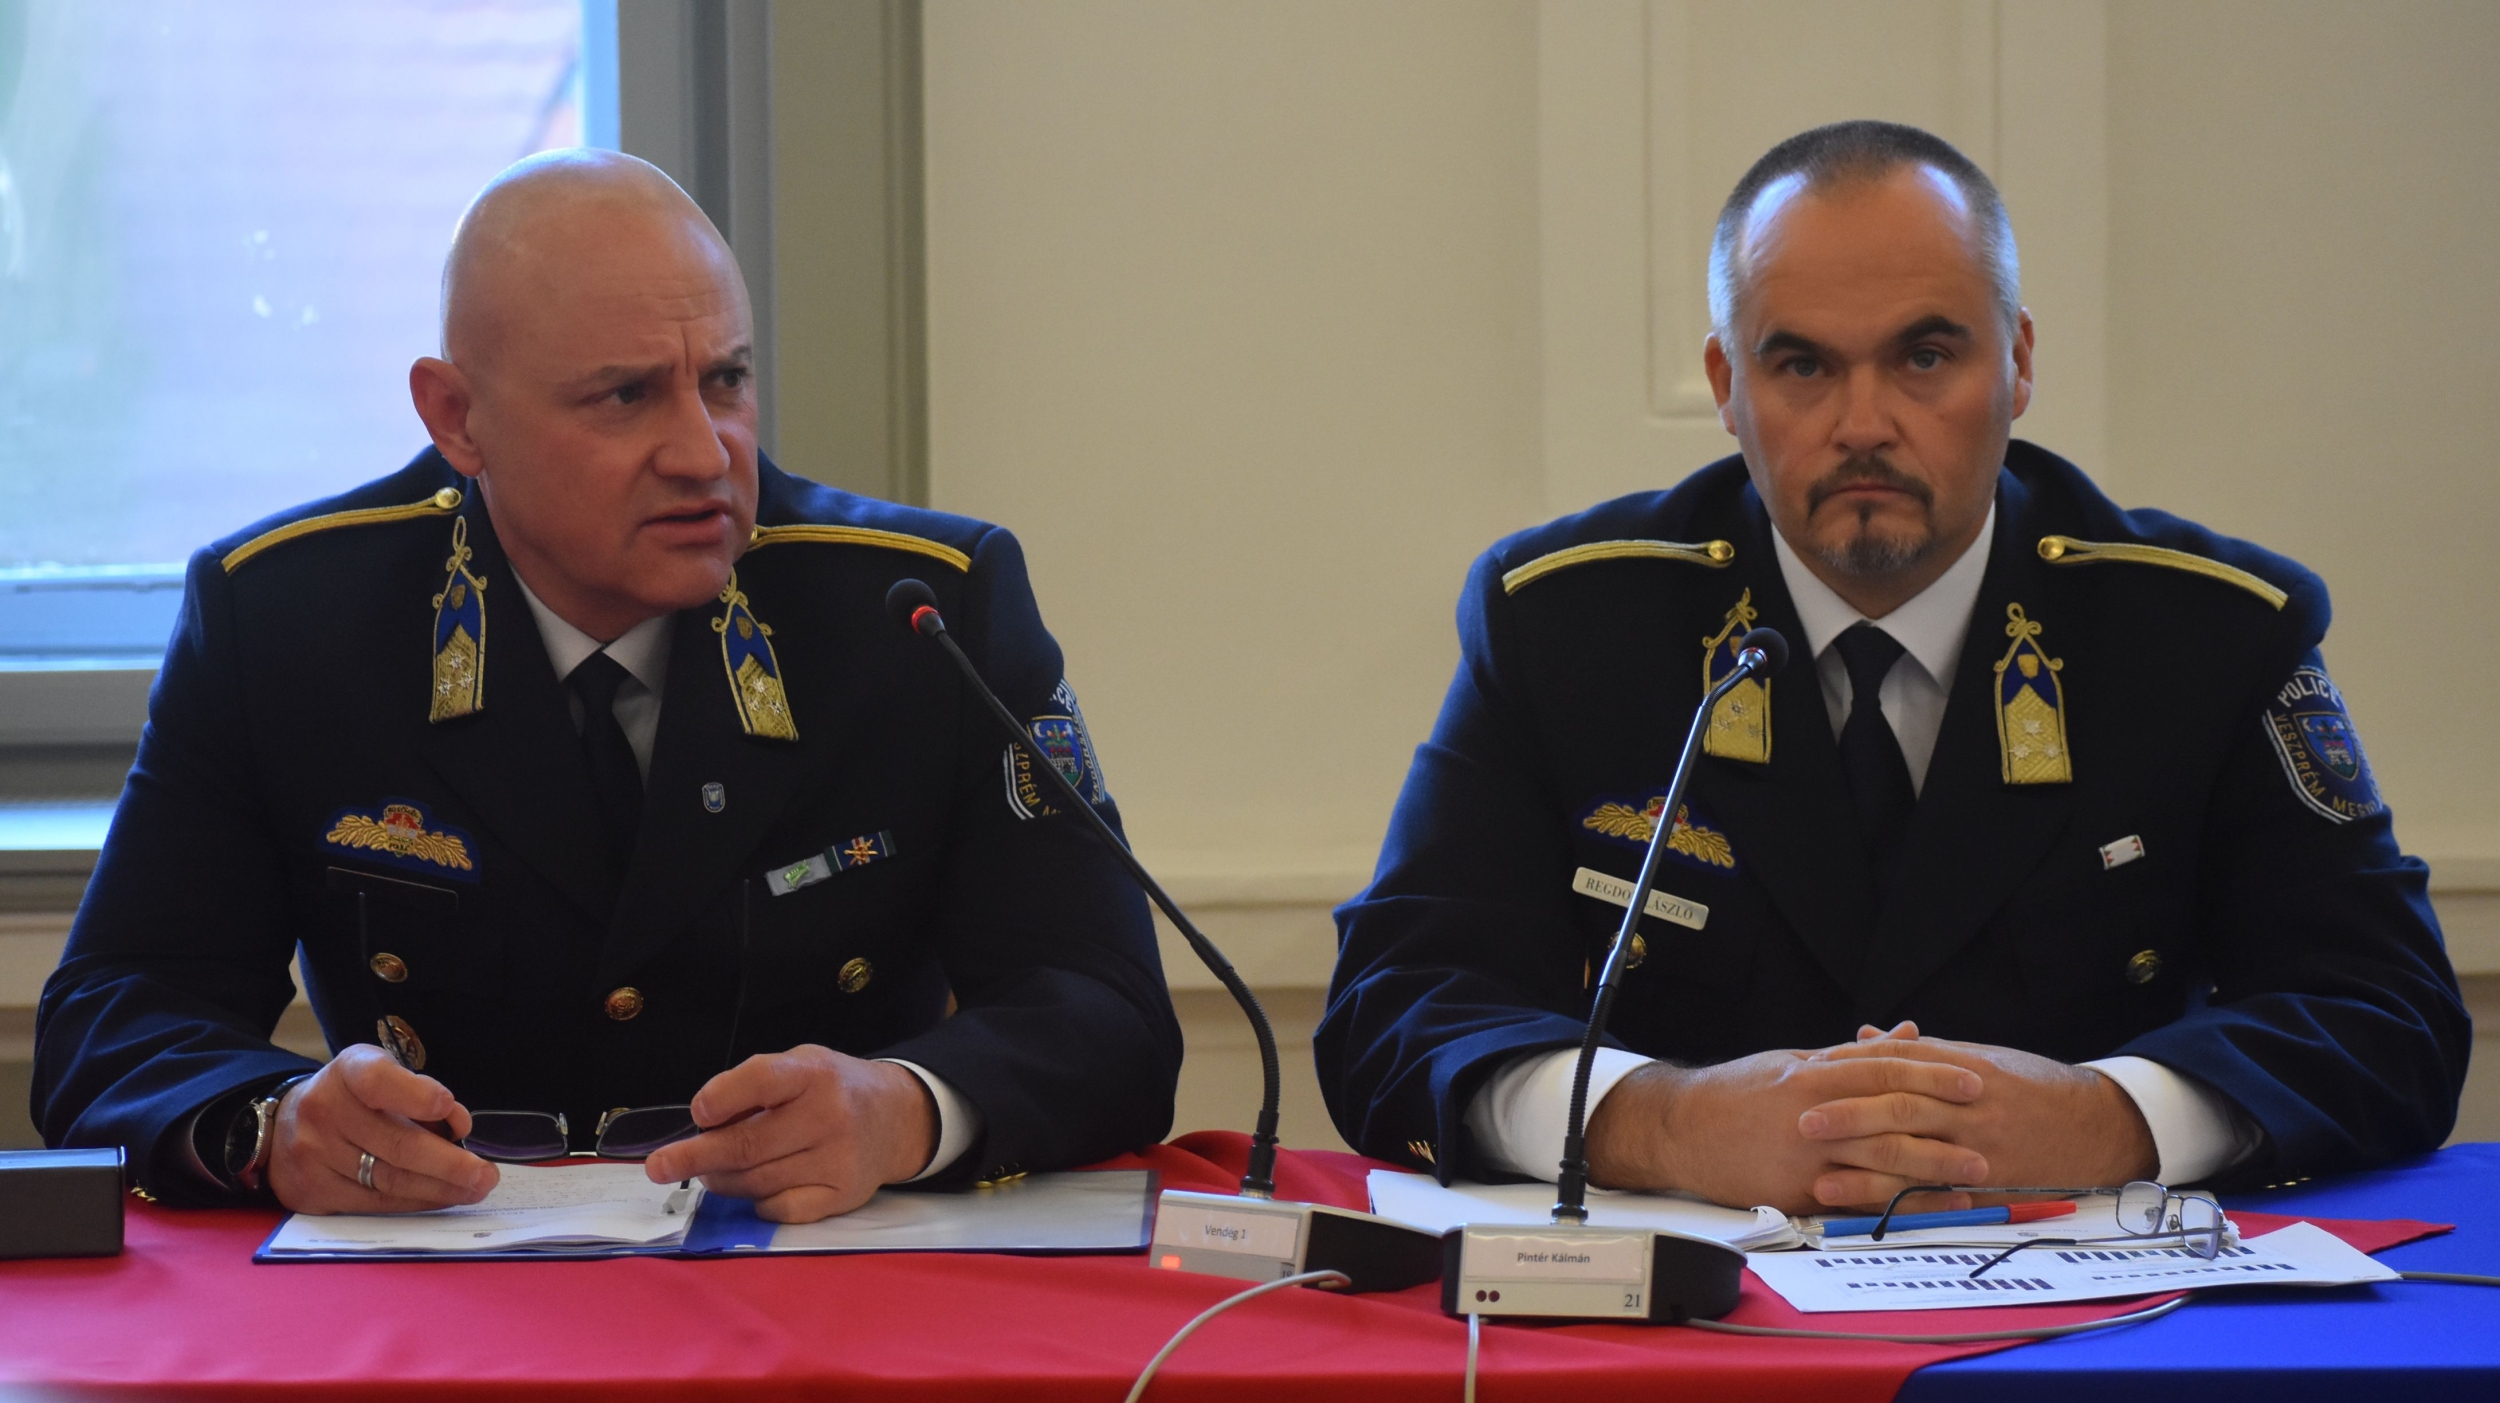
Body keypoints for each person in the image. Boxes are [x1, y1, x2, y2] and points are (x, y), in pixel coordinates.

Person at [1315, 120, 2468, 1215]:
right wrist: (1661, 1124)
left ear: (2016, 363)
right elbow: (1393, 1009)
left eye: (1923, 356)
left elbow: (2389, 1014)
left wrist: (2108, 1119)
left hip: (2101, 1302)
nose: (1862, 422)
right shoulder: (1568, 624)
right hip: (1695, 1297)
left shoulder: (2204, 633)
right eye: (1801, 365)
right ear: (1726, 385)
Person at [33, 150, 1181, 1221]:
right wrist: (276, 1123)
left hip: (810, 1274)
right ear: (458, 418)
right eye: (625, 396)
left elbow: (1105, 1004)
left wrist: (905, 1109)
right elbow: (116, 1012)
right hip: (441, 1289)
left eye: (725, 380)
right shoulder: (288, 619)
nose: (702, 452)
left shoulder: (920, 612)